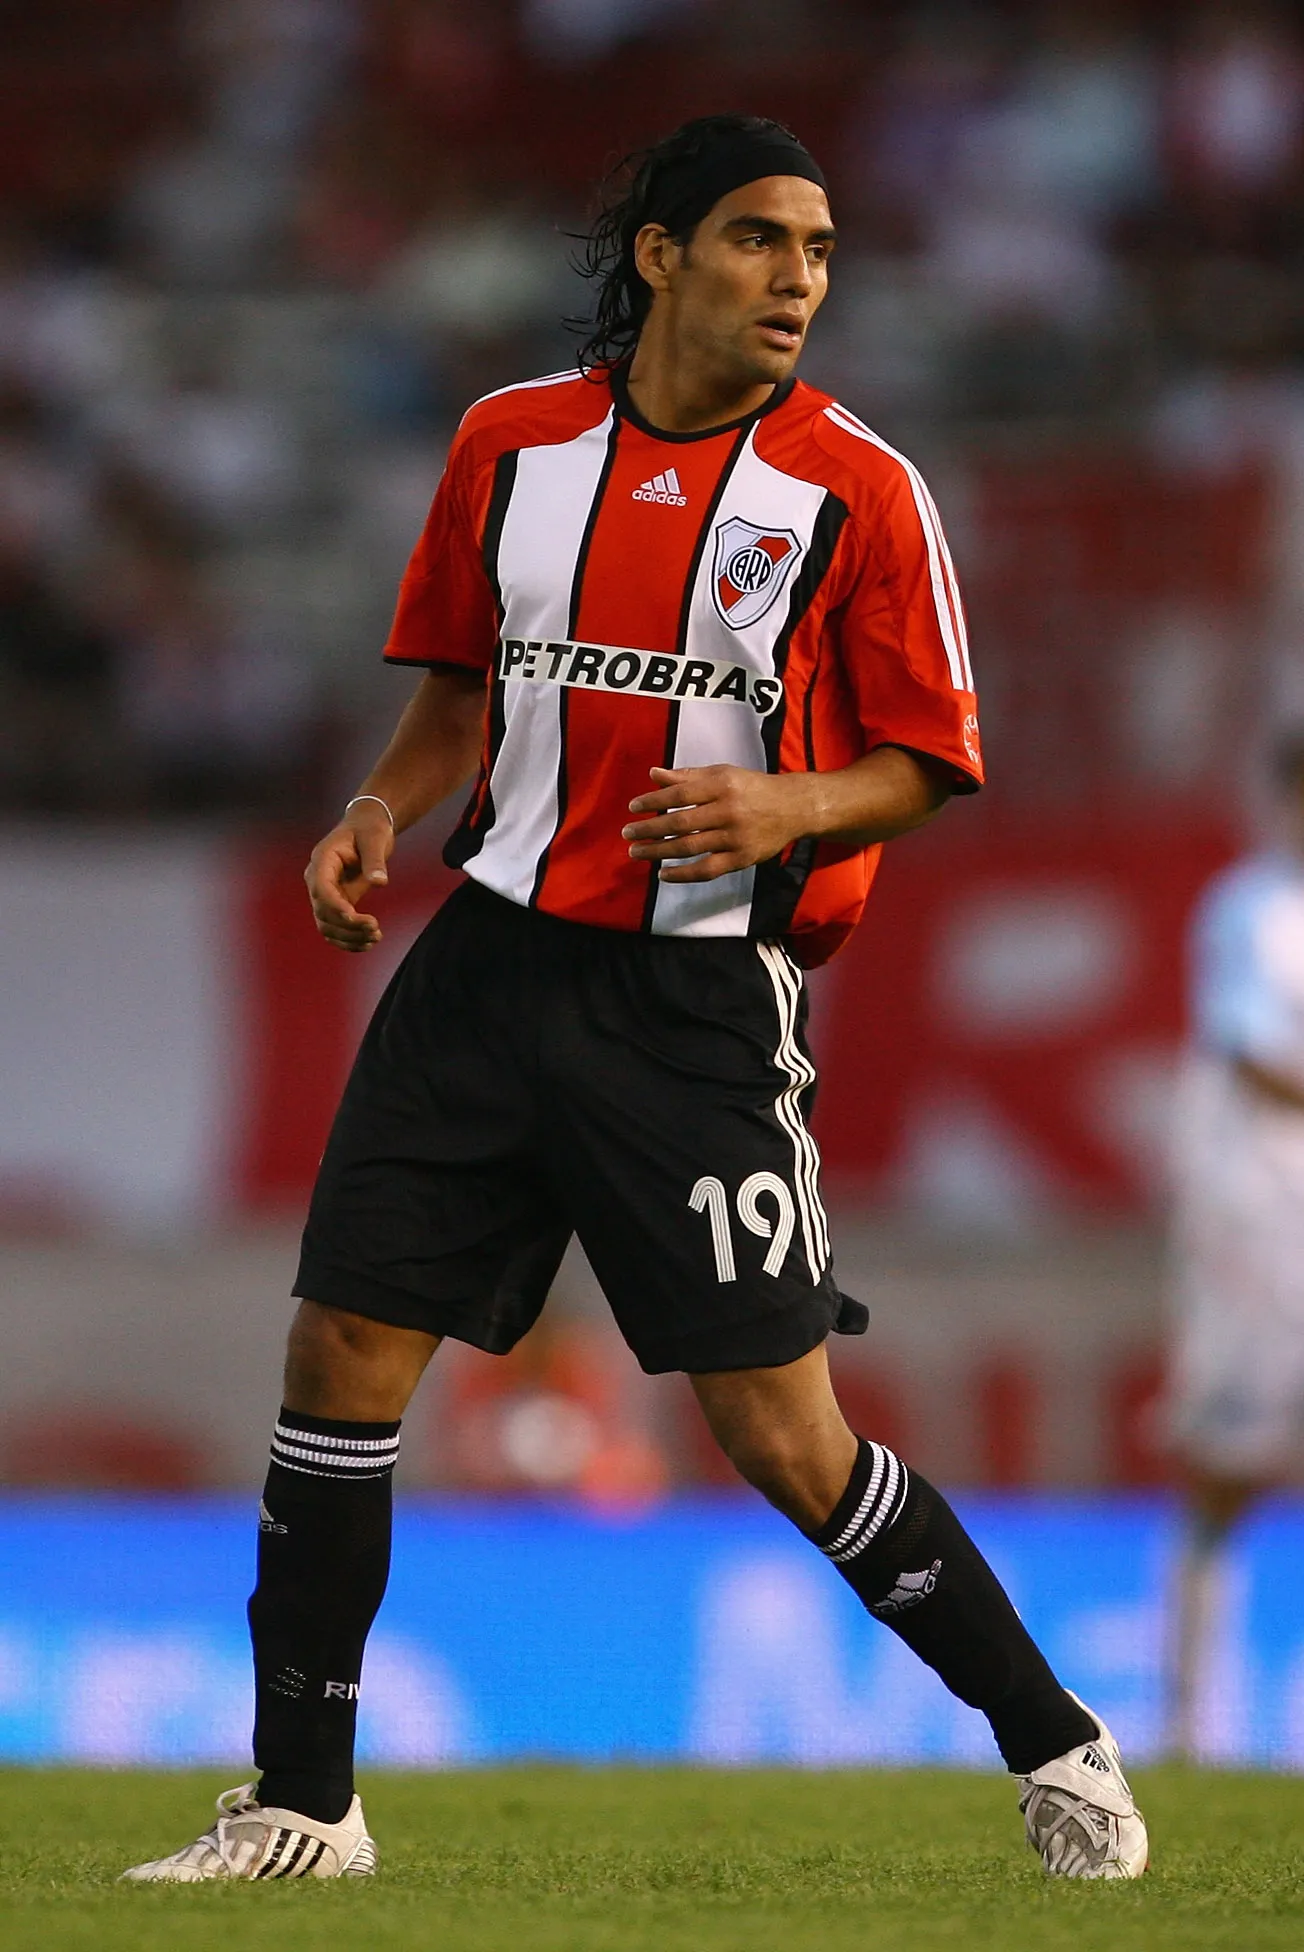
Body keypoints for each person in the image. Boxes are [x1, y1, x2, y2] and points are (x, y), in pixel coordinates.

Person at [124, 114, 1146, 1884]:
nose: (797, 280)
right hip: (484, 962)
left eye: (818, 252)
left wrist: (782, 805)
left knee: (777, 1433)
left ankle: (1056, 1741)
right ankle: (303, 1802)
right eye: (759, 240)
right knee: (341, 1351)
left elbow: (929, 761)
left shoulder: (856, 489)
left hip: (688, 1002)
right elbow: (457, 693)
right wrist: (380, 807)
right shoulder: (505, 447)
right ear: (660, 255)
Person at [1165, 732, 1304, 1758]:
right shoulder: (1250, 910)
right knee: (1227, 1464)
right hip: (1256, 1217)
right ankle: (1190, 1717)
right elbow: (1247, 1052)